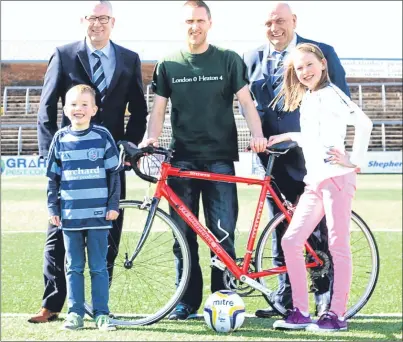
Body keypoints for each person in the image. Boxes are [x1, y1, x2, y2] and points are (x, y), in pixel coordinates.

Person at [139, 0, 267, 320]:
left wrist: (257, 134)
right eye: (188, 21)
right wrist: (150, 139)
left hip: (220, 160)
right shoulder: (168, 63)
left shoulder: (228, 60)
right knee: (182, 236)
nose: (193, 26)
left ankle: (225, 297)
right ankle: (186, 301)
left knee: (222, 235)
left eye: (198, 20)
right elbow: (158, 110)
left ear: (210, 23)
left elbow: (247, 104)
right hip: (181, 161)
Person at [29, 0, 148, 323]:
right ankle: (52, 303)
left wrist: (126, 147)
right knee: (58, 234)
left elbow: (139, 110)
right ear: (83, 20)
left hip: (110, 164)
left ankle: (100, 305)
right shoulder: (64, 54)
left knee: (108, 231)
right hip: (71, 162)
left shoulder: (128, 59)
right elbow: (47, 107)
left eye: (104, 18)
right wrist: (51, 154)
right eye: (92, 18)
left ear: (113, 22)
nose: (97, 24)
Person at [242, 1, 351, 318]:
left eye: (280, 21)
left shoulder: (321, 52)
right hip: (272, 158)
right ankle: (286, 297)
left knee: (317, 230)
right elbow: (250, 106)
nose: (274, 27)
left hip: (311, 159)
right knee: (280, 227)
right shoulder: (251, 58)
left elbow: (341, 102)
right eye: (268, 22)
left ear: (294, 21)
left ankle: (324, 296)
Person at [269, 42, 372, 331]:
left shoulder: (333, 94)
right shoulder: (310, 97)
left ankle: (336, 316)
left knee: (338, 245)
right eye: (298, 68)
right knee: (291, 241)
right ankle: (300, 312)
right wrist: (288, 135)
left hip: (337, 179)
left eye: (309, 65)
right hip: (314, 181)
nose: (304, 71)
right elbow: (313, 136)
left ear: (323, 64)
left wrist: (353, 160)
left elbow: (365, 124)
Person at [46, 84, 122, 330]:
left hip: (99, 215)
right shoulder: (60, 138)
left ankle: (102, 314)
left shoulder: (102, 136)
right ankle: (75, 313)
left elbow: (114, 174)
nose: (78, 109)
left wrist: (113, 205)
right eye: (73, 104)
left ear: (94, 109)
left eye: (84, 104)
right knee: (73, 267)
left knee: (99, 267)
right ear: (65, 109)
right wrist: (53, 209)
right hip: (70, 215)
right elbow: (53, 179)